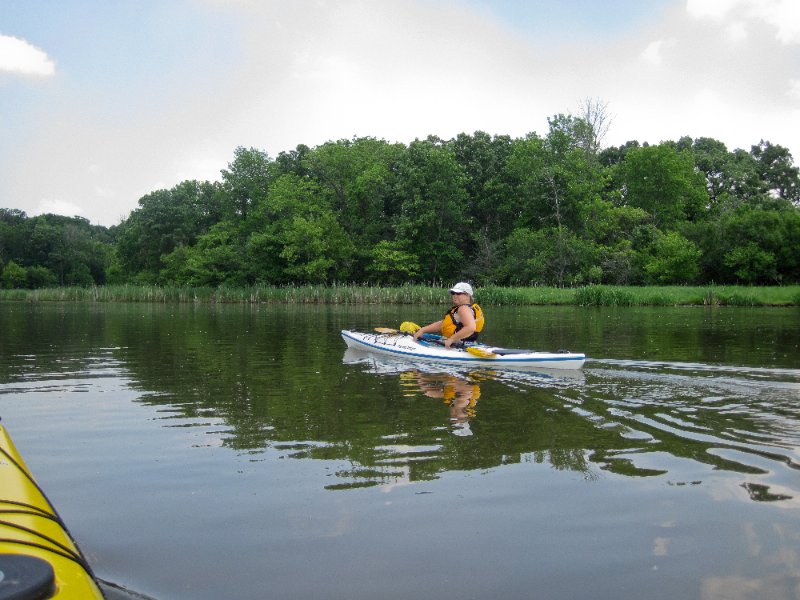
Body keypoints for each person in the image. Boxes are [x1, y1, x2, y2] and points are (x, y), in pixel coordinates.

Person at [413, 282, 485, 348]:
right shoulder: (464, 308)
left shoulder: (463, 309)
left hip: (459, 345)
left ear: (468, 295)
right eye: (453, 293)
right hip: (467, 344)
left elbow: (471, 328)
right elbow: (443, 324)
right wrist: (423, 330)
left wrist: (452, 339)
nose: (455, 295)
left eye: (458, 293)